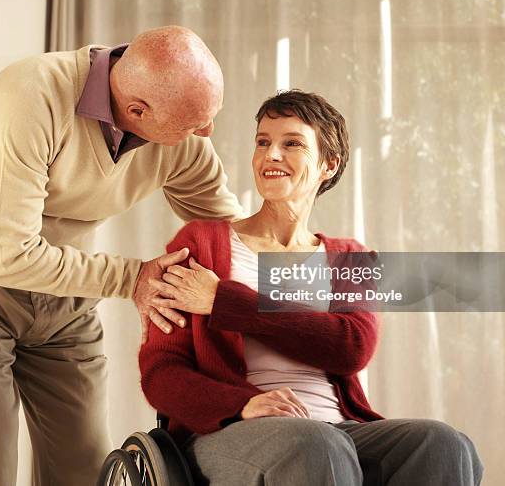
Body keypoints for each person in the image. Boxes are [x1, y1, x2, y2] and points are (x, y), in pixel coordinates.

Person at [0, 25, 244, 486]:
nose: (206, 131)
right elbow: (8, 256)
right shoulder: (31, 95)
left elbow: (233, 237)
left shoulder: (184, 142)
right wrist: (133, 279)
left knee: (84, 467)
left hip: (61, 294)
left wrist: (305, 281)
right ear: (137, 109)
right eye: (194, 121)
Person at [139, 90, 483, 485]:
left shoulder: (348, 256)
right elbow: (161, 373)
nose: (271, 155)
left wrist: (224, 301)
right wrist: (243, 404)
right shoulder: (202, 243)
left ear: (328, 164)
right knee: (317, 444)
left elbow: (351, 346)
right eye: (263, 142)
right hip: (231, 431)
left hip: (337, 428)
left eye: (292, 144)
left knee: (443, 443)